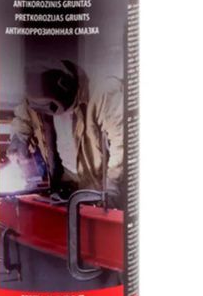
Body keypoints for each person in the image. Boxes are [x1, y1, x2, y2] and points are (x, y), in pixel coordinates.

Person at [7, 60, 123, 198]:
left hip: (97, 183)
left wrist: (112, 185)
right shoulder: (37, 94)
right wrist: (18, 138)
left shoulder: (104, 91)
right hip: (65, 179)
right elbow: (23, 117)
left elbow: (122, 142)